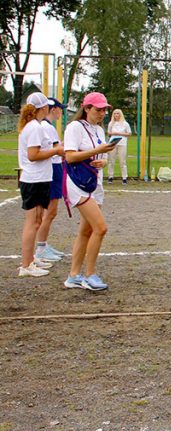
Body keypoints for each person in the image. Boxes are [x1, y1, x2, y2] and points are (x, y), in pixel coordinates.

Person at [63, 92, 119, 291]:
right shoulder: (74, 128)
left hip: (94, 182)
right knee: (100, 228)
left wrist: (102, 160)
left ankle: (73, 276)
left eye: (104, 110)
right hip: (77, 183)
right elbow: (70, 157)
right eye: (98, 109)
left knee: (85, 231)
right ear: (86, 108)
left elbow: (99, 155)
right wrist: (97, 152)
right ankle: (89, 275)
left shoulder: (99, 130)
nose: (102, 113)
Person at [16, 93, 63, 278]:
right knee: (32, 222)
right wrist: (56, 151)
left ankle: (30, 260)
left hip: (38, 178)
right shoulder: (35, 127)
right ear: (44, 108)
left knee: (36, 221)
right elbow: (33, 155)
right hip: (34, 179)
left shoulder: (33, 125)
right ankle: (26, 265)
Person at [34, 98, 68, 266]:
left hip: (52, 167)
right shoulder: (47, 127)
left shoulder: (45, 126)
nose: (61, 112)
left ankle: (43, 244)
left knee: (48, 211)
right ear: (53, 109)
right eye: (60, 108)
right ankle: (41, 247)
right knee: (50, 211)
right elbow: (57, 150)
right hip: (53, 168)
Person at [106, 108, 131, 184]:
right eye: (115, 113)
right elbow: (109, 133)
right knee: (111, 160)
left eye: (118, 113)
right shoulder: (111, 123)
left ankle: (124, 177)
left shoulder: (125, 124)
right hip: (113, 143)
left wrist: (119, 134)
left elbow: (129, 133)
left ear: (120, 114)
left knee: (122, 161)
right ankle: (110, 177)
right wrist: (113, 134)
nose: (116, 115)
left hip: (122, 143)